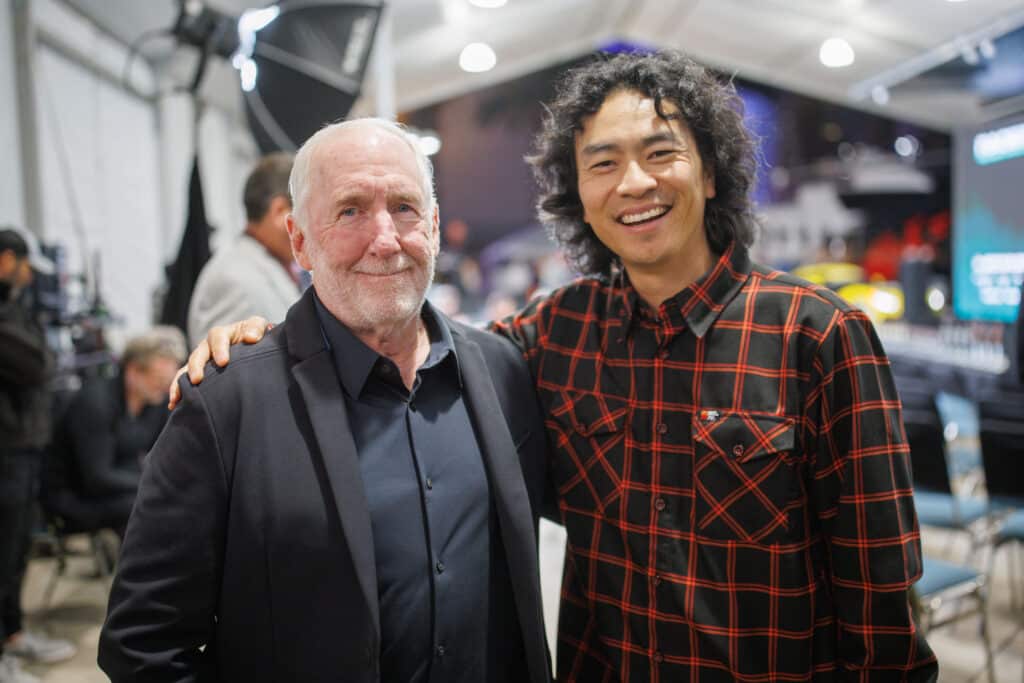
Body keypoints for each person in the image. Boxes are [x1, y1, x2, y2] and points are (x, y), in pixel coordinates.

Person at [182, 52, 937, 681]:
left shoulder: (819, 336)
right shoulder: (556, 332)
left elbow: (882, 605)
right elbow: (410, 348)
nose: (633, 183)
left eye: (661, 153)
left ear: (711, 173)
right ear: (578, 193)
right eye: (602, 163)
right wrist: (277, 343)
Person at [99, 119, 552, 683]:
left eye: (405, 208)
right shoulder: (226, 403)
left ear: (434, 227)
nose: (384, 239)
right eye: (350, 210)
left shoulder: (502, 371)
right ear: (299, 241)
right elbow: (143, 642)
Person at [0, 227, 75, 683]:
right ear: (8, 260)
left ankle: (12, 635)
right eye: (25, 265)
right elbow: (38, 364)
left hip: (23, 448)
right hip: (6, 450)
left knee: (15, 550)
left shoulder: (14, 309)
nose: (29, 276)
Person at [43, 327, 186, 537]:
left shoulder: (154, 402)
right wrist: (157, 483)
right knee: (151, 504)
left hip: (116, 485)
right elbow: (96, 476)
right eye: (159, 381)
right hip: (75, 495)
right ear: (134, 370)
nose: (165, 388)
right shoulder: (95, 403)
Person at [186, 152, 302, 346]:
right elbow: (229, 363)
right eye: (306, 212)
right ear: (279, 210)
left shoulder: (268, 267)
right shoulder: (233, 280)